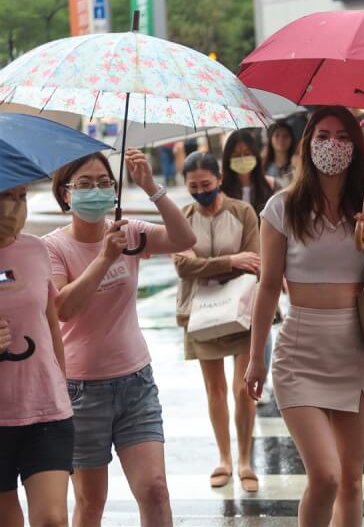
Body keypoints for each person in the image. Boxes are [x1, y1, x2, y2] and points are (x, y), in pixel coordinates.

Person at [244, 106, 364, 526]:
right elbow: (268, 286)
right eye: (323, 136)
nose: (333, 145)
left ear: (357, 147)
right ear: (307, 143)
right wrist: (256, 356)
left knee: (351, 479)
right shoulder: (281, 207)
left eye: (344, 137)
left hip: (356, 352)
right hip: (300, 354)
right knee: (325, 476)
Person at [45, 150, 195, 527]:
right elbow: (63, 307)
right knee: (91, 503)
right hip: (81, 391)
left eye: (103, 183)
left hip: (136, 384)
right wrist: (103, 259)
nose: (95, 191)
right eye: (84, 184)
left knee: (155, 490)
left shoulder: (128, 233)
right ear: (65, 194)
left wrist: (151, 188)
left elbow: (184, 238)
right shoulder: (53, 247)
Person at [173, 152, 260, 493]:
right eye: (193, 186)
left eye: (206, 184)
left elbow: (252, 261)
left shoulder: (242, 212)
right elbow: (182, 265)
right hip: (199, 313)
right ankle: (224, 457)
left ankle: (245, 460)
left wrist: (207, 264)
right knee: (215, 389)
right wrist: (229, 260)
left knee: (243, 389)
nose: (200, 191)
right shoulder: (183, 216)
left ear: (219, 178)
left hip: (241, 309)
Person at [0, 184, 73, 527]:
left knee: (52, 519)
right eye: (3, 196)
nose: (12, 208)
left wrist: (62, 383)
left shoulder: (35, 250)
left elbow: (51, 324)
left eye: (20, 197)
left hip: (45, 408)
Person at [221, 129, 274, 215]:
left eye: (247, 154)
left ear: (255, 154)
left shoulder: (270, 185)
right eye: (236, 155)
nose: (242, 158)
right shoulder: (221, 190)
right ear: (228, 158)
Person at [263, 121, 299, 190]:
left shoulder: (296, 165)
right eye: (277, 135)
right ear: (271, 139)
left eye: (285, 136)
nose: (281, 139)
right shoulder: (263, 166)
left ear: (291, 139)